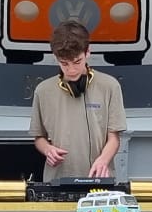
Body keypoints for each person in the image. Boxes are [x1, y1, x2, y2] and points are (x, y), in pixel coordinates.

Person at [31, 22, 127, 181]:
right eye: (64, 64)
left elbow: (114, 138)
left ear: (88, 52)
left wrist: (103, 160)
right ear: (56, 58)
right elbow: (38, 137)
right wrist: (48, 150)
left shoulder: (110, 86)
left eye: (77, 62)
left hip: (99, 179)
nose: (71, 70)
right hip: (56, 179)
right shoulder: (43, 91)